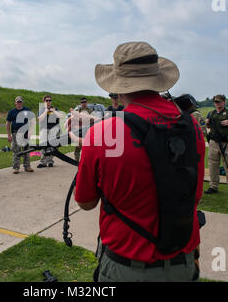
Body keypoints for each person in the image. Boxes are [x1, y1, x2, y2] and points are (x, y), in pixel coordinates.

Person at [74, 41, 205, 282]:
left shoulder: (103, 133)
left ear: (118, 86)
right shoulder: (191, 127)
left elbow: (85, 201)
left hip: (127, 268)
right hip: (183, 264)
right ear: (158, 80)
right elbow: (195, 196)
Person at [204, 94, 228, 198]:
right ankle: (213, 186)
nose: (218, 104)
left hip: (225, 143)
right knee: (212, 165)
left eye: (219, 102)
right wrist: (207, 123)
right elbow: (207, 126)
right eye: (216, 102)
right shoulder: (210, 113)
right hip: (213, 142)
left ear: (224, 102)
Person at [6, 96, 35, 174]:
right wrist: (9, 135)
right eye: (17, 102)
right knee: (16, 150)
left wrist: (30, 132)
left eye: (20, 102)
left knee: (26, 150)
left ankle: (27, 166)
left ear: (22, 102)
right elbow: (8, 123)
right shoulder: (11, 112)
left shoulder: (27, 110)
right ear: (15, 103)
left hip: (25, 133)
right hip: (15, 133)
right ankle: (16, 167)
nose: (19, 103)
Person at [37, 95, 64, 168]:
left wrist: (54, 111)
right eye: (47, 100)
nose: (49, 102)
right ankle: (43, 162)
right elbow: (39, 119)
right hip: (44, 129)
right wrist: (46, 111)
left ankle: (50, 161)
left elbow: (61, 116)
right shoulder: (42, 110)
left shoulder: (55, 109)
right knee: (43, 145)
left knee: (52, 145)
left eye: (50, 100)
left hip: (53, 129)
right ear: (44, 101)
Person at [73, 97, 93, 162]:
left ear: (86, 103)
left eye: (84, 102)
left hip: (87, 130)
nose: (83, 103)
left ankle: (87, 161)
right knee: (77, 147)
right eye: (82, 102)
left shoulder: (90, 111)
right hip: (79, 130)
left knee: (87, 147)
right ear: (80, 103)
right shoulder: (78, 110)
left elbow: (92, 119)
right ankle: (76, 161)